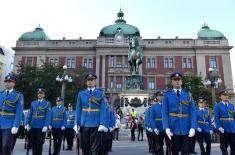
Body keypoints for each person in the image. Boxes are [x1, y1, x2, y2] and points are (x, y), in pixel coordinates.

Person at [162, 72, 197, 155]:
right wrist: (166, 127)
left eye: (179, 79)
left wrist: (193, 127)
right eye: (175, 79)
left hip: (186, 127)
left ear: (181, 81)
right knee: (174, 151)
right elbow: (164, 112)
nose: (177, 81)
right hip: (173, 127)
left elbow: (192, 112)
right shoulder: (167, 95)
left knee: (186, 151)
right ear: (172, 82)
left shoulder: (188, 94)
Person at [75, 72, 107, 155]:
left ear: (95, 81)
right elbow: (78, 109)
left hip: (96, 124)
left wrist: (102, 123)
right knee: (84, 148)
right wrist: (76, 123)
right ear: (86, 81)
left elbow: (103, 109)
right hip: (84, 123)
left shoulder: (100, 93)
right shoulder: (81, 94)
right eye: (88, 80)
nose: (90, 82)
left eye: (92, 80)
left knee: (94, 149)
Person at [0, 74, 24, 155]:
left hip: (9, 124)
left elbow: (19, 112)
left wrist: (16, 126)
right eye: (6, 81)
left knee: (6, 146)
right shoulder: (1, 94)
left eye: (9, 82)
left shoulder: (18, 95)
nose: (7, 83)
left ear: (14, 83)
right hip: (0, 122)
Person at [26, 87, 51, 155]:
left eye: (41, 93)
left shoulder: (47, 103)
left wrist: (46, 125)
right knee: (33, 142)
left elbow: (48, 115)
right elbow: (30, 114)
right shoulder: (33, 103)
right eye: (38, 93)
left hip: (41, 125)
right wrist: (27, 123)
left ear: (44, 95)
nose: (39, 95)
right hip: (33, 124)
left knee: (39, 142)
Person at [214, 90, 235, 155]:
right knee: (224, 145)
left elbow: (233, 116)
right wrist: (219, 127)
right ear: (220, 97)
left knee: (234, 145)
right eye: (224, 95)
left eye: (226, 95)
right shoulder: (218, 105)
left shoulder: (231, 105)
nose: (226, 96)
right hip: (223, 128)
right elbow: (216, 117)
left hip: (232, 128)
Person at [150, 91, 170, 155]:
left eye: (162, 95)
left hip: (167, 127)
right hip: (158, 128)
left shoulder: (168, 105)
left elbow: (171, 117)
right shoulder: (154, 106)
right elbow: (152, 118)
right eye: (160, 96)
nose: (161, 97)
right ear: (157, 97)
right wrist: (154, 127)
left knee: (169, 145)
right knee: (159, 145)